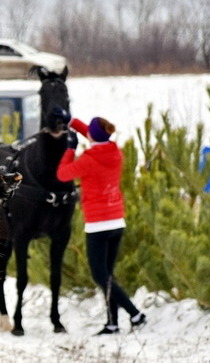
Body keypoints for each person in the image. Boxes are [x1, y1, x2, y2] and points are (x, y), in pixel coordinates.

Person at [56, 115, 147, 335]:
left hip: (98, 224)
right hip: (117, 220)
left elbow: (62, 174)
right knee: (108, 275)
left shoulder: (88, 160)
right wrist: (72, 121)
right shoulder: (114, 152)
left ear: (91, 137)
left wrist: (69, 149)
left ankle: (135, 314)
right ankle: (112, 323)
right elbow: (95, 133)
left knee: (100, 275)